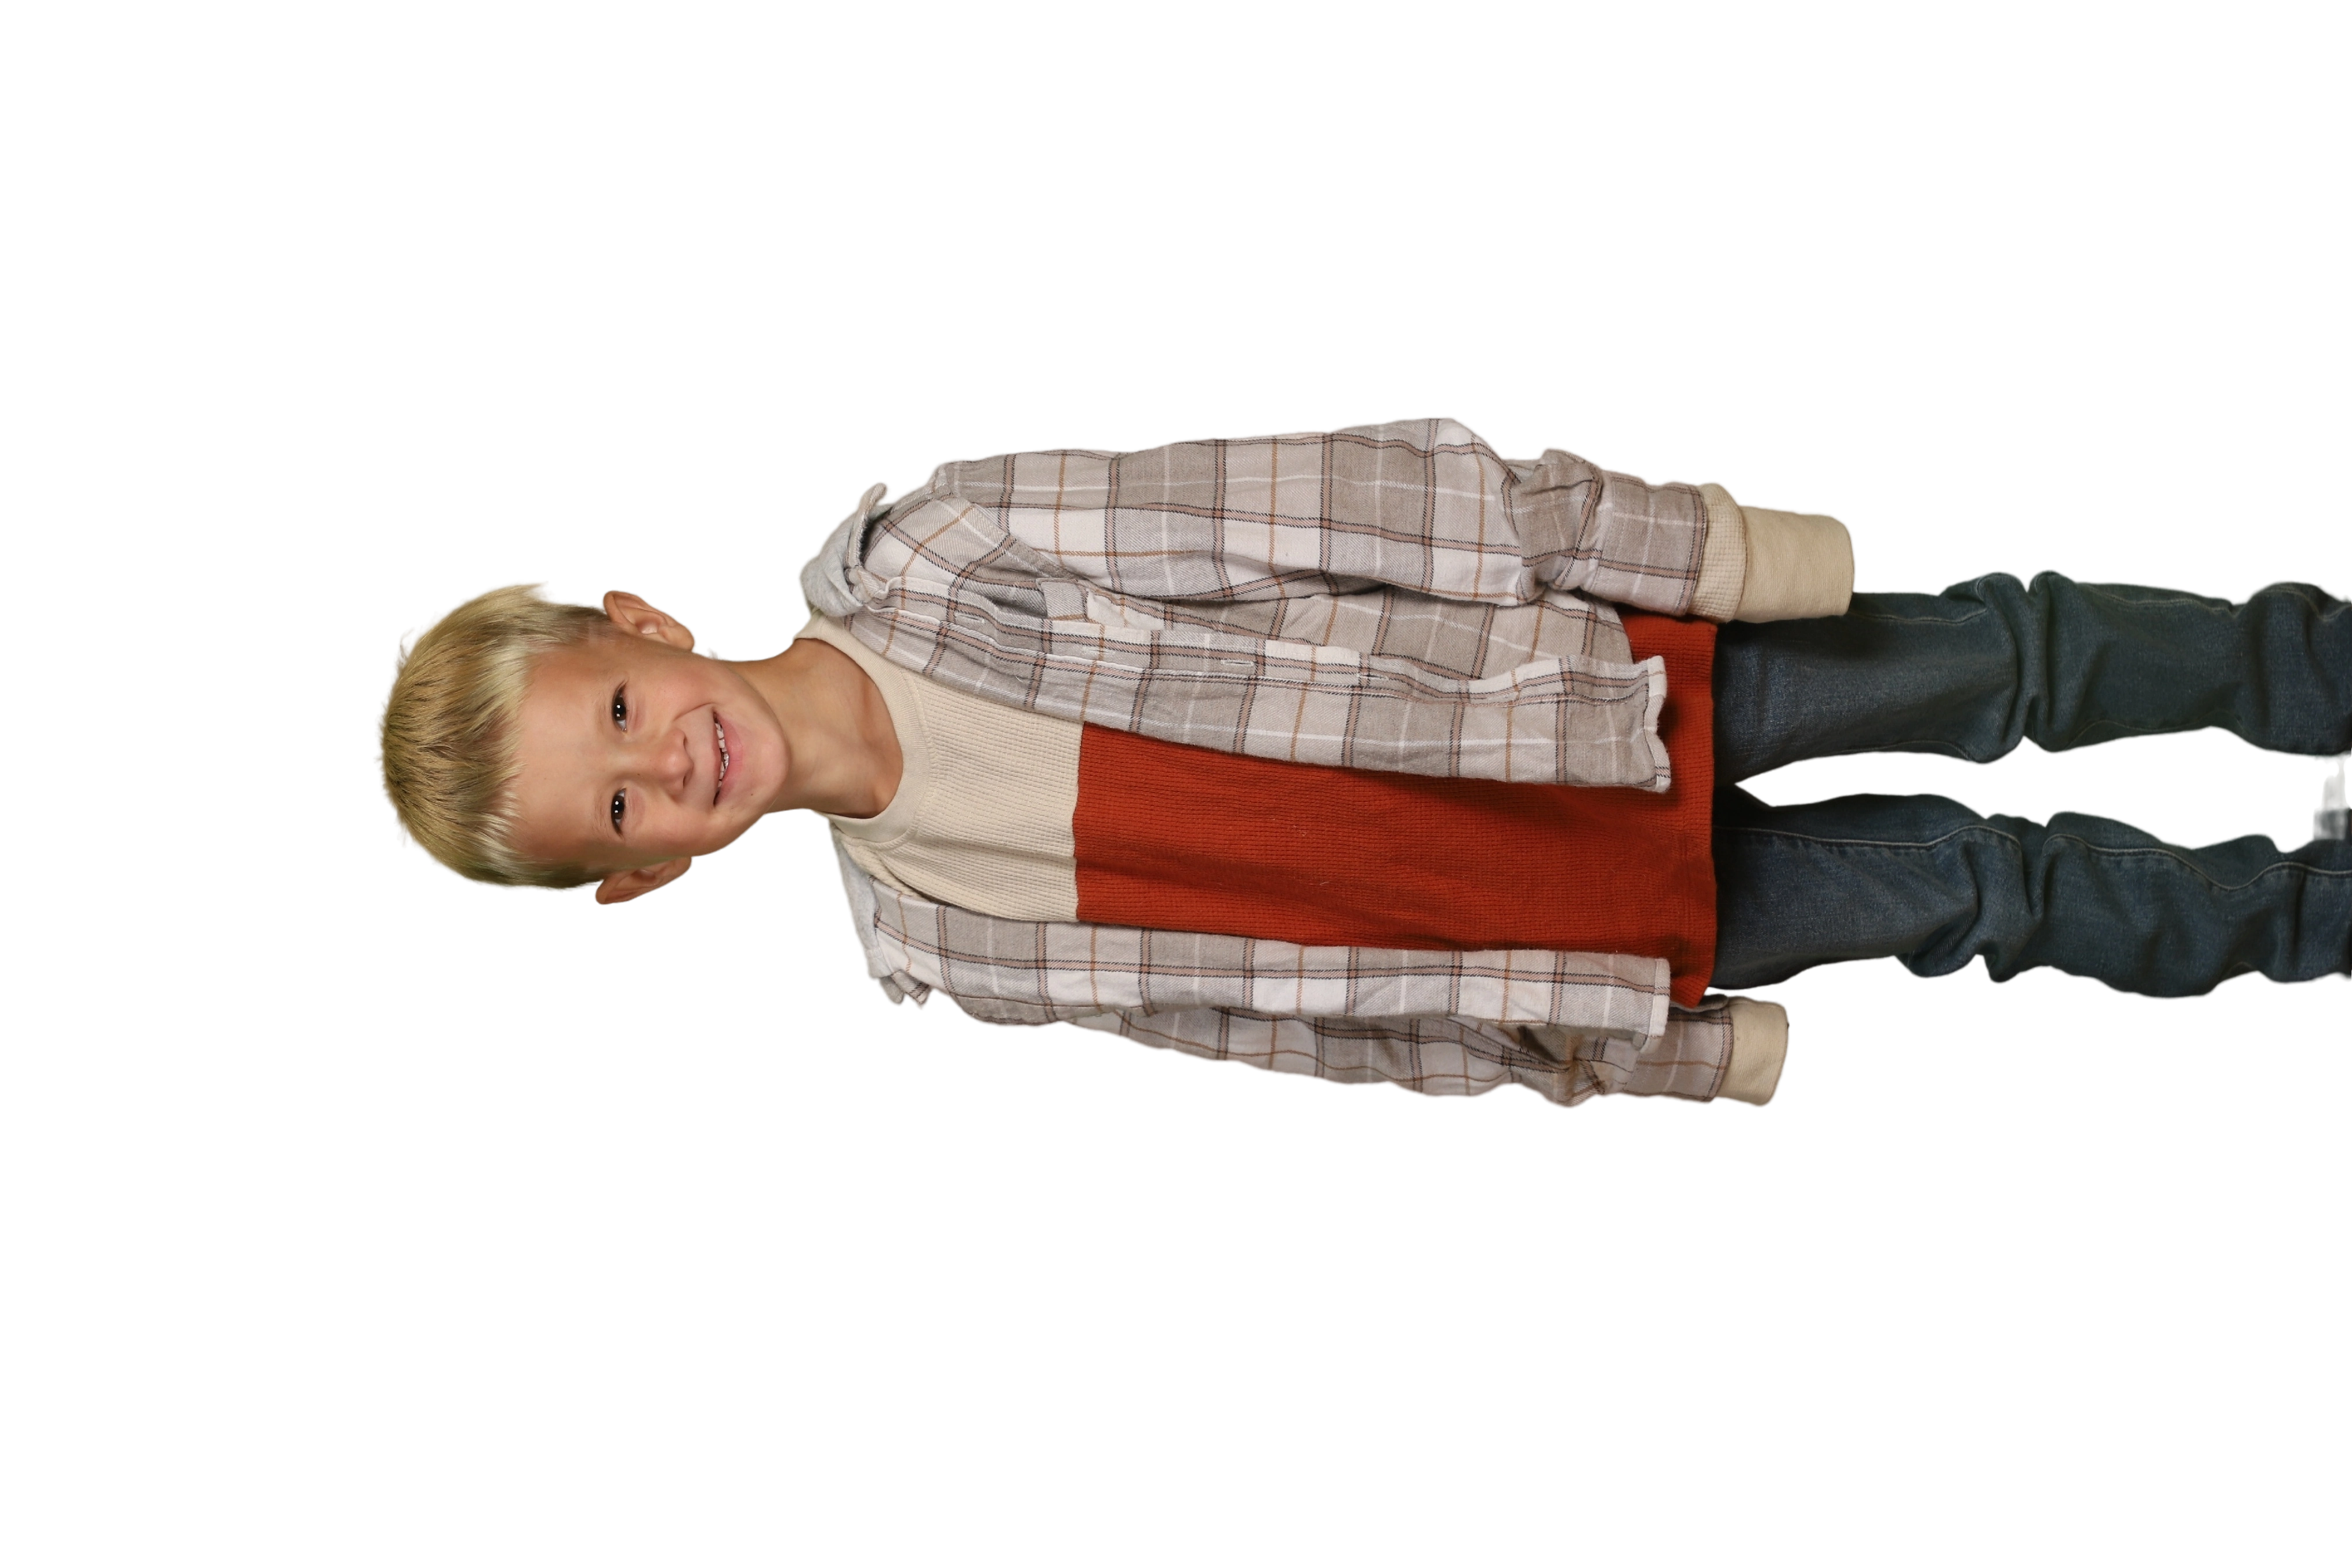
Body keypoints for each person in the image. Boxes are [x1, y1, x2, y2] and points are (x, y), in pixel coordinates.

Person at [372, 414, 2352, 1112]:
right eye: (618, 807)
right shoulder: (941, 945)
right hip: (1582, 937)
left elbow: (1330, 502)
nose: (666, 763)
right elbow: (1292, 1027)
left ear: (639, 621)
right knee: (1986, 899)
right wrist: (1619, 1065)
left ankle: (2314, 670)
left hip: (1604, 684)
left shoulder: (947, 550)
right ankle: (2313, 912)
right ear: (646, 875)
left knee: (2007, 659)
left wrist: (1676, 548)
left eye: (615, 713)